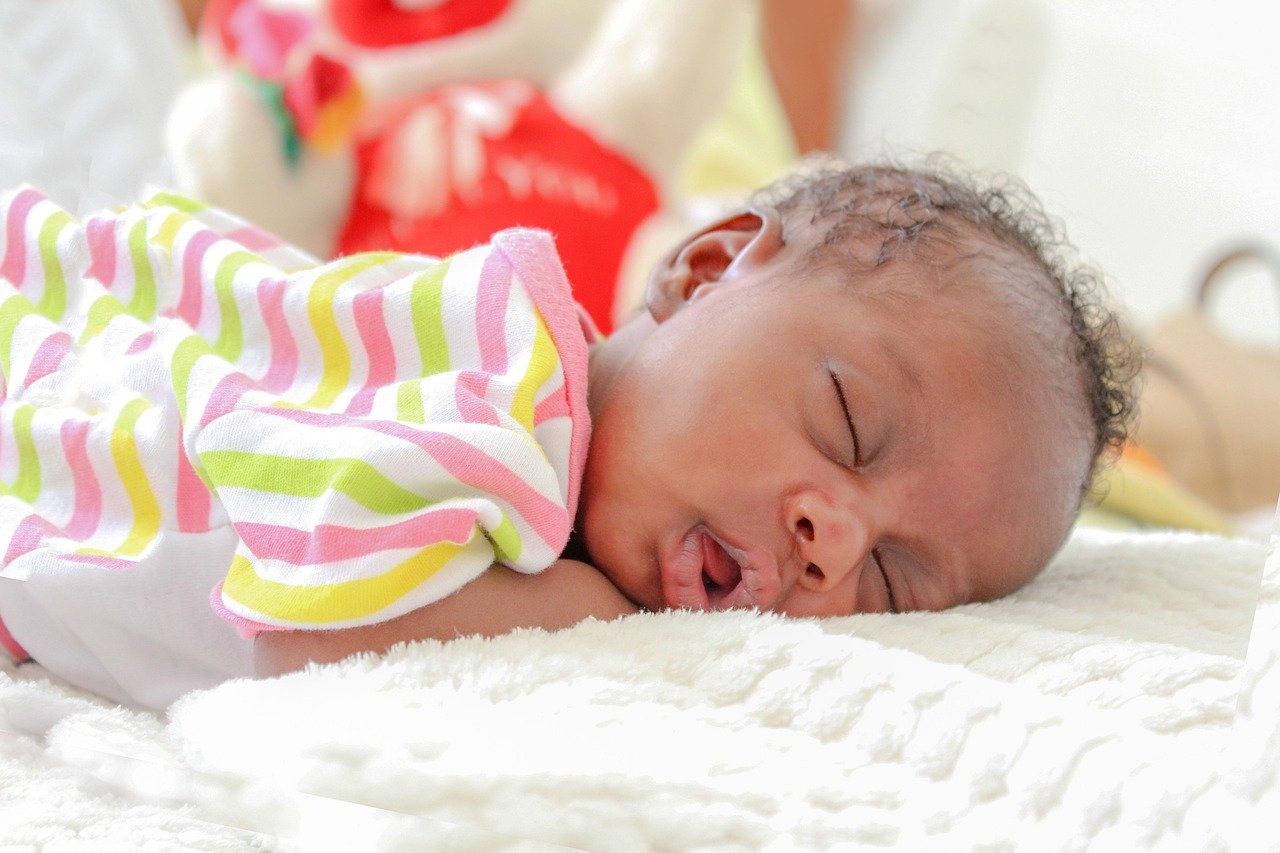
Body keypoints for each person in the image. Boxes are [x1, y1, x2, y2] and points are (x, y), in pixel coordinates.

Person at [0, 160, 1137, 708]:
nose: (827, 539)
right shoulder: (508, 381)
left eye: (889, 582)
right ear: (702, 271)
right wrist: (576, 610)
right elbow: (300, 620)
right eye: (844, 420)